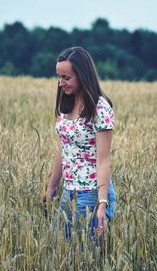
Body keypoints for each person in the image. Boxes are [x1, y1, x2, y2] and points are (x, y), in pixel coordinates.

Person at [43, 46, 116, 239]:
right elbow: (65, 148)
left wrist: (102, 204)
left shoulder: (100, 108)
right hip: (70, 191)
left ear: (83, 75)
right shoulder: (67, 105)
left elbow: (103, 160)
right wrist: (52, 187)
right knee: (59, 248)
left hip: (92, 192)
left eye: (66, 78)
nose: (61, 83)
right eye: (59, 77)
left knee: (82, 254)